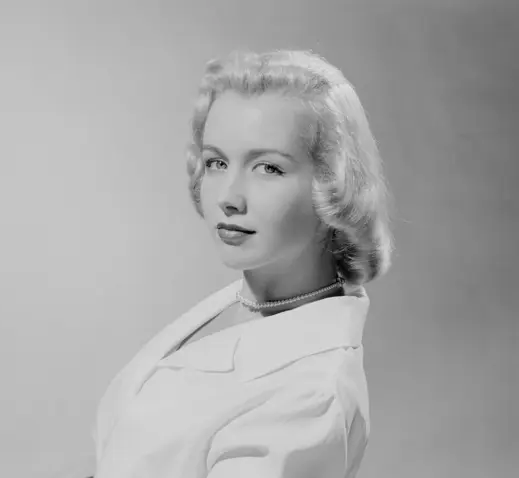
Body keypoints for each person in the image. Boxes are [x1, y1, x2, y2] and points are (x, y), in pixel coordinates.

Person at [91, 49, 393, 478]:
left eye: (268, 167)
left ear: (334, 184)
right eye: (216, 162)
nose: (228, 196)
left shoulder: (311, 396)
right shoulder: (242, 300)